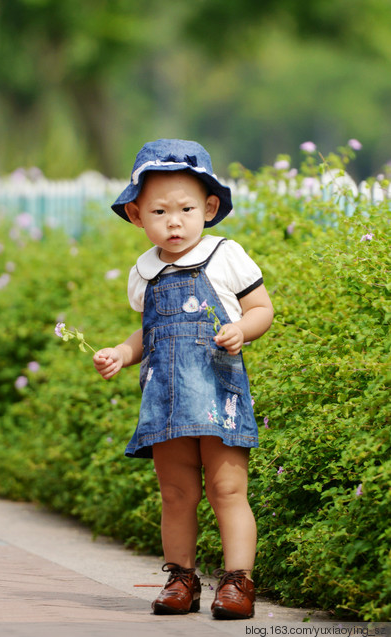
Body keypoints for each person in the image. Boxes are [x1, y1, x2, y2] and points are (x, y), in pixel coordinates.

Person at [93, 139, 274, 620]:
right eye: (159, 210)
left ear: (210, 208)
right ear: (136, 215)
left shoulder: (225, 255)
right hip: (165, 397)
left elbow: (261, 309)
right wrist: (123, 352)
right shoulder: (144, 272)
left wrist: (241, 329)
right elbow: (147, 330)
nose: (174, 221)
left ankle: (238, 582)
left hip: (218, 391)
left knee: (227, 489)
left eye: (187, 208)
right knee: (175, 493)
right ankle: (181, 578)